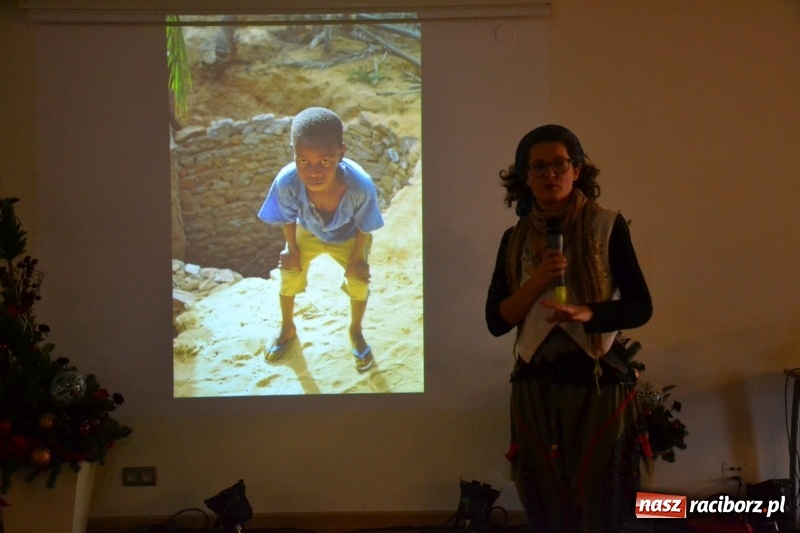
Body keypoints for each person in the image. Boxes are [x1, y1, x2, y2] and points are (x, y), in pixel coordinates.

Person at [485, 125, 653, 531]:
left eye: (559, 164)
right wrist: (539, 280)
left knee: (604, 502)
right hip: (534, 386)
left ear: (577, 170)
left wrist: (590, 313)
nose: (550, 175)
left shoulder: (608, 226)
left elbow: (640, 307)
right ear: (526, 178)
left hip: (598, 386)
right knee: (544, 501)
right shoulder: (513, 239)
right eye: (538, 167)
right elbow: (496, 321)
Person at [258, 107, 384, 371]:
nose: (313, 172)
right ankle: (287, 327)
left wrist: (357, 259)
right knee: (289, 272)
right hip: (309, 230)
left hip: (350, 235)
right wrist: (292, 249)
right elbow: (287, 217)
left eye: (325, 161)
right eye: (303, 161)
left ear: (341, 153)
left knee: (359, 280)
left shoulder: (360, 186)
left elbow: (364, 226)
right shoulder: (287, 182)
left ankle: (355, 330)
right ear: (293, 152)